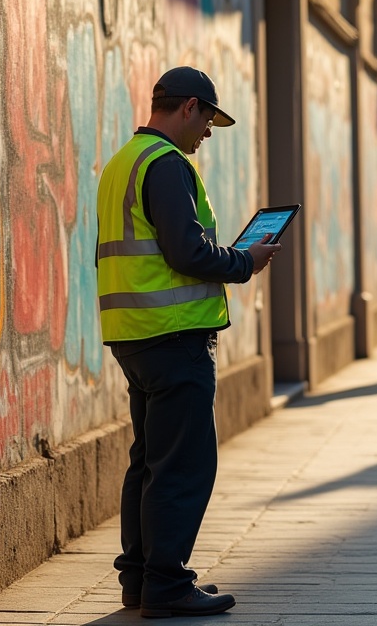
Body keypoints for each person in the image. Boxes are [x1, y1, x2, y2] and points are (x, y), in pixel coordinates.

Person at [97, 66, 279, 619]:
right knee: (183, 463)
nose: (207, 134)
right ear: (189, 107)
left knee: (150, 459)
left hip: (134, 335)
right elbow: (187, 252)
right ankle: (168, 583)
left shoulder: (122, 162)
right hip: (172, 335)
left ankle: (140, 577)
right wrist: (246, 261)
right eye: (207, 122)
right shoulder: (166, 165)